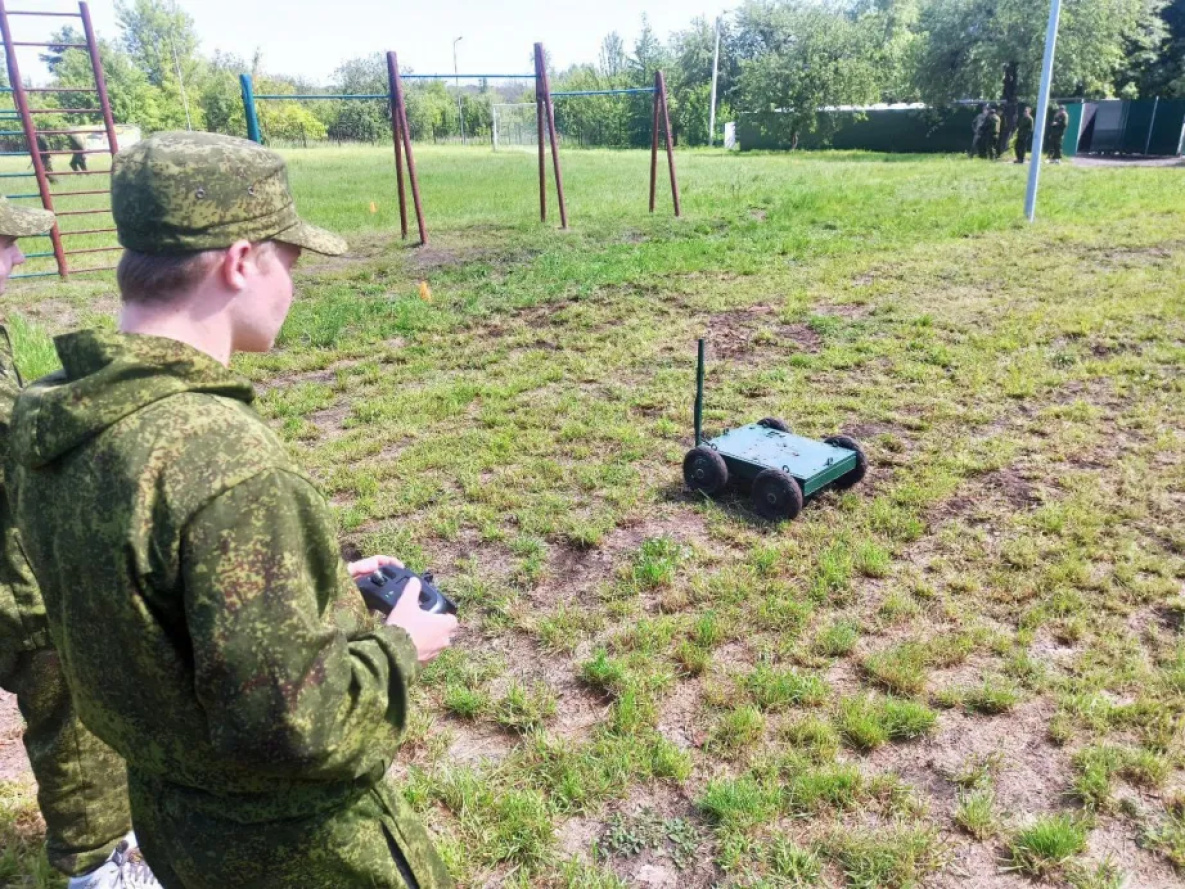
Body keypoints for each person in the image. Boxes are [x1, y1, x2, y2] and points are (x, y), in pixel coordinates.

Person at [6, 131, 457, 889]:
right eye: (293, 262)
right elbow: (296, 727)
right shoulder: (225, 466)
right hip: (294, 849)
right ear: (241, 260)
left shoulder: (58, 414)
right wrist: (402, 645)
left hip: (173, 819)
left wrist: (289, 582)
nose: (294, 285)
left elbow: (132, 592)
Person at [0, 196, 160, 888]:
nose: (17, 256)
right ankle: (97, 866)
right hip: (18, 577)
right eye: (5, 242)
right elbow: (20, 438)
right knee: (70, 710)